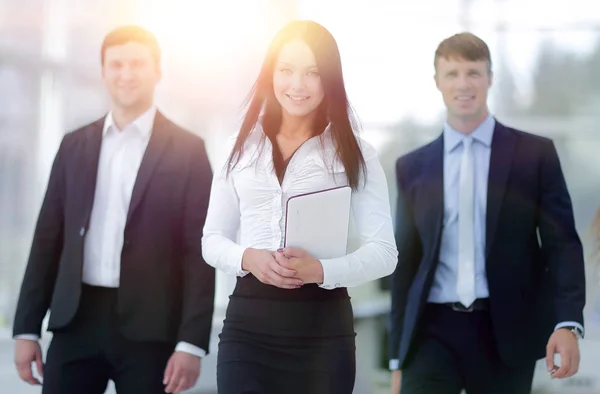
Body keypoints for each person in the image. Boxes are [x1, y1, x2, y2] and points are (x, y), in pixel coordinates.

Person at [12, 25, 215, 394]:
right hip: (76, 320)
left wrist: (191, 342)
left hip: (151, 328)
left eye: (137, 64)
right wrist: (26, 327)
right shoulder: (73, 145)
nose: (126, 74)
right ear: (104, 71)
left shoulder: (189, 151)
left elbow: (197, 253)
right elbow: (47, 238)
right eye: (116, 64)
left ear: (157, 71)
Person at [202, 20, 398, 394]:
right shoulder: (238, 147)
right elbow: (212, 239)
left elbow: (384, 253)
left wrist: (320, 270)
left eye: (312, 73)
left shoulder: (356, 154)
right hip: (248, 328)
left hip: (322, 333)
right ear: (270, 74)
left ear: (330, 80)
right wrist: (248, 258)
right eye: (286, 70)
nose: (297, 85)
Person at [388, 32, 586, 394]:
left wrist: (567, 322)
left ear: (490, 77)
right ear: (437, 82)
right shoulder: (412, 167)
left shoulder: (534, 156)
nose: (463, 84)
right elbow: (405, 267)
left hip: (506, 333)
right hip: (431, 333)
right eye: (452, 74)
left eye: (473, 72)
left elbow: (563, 246)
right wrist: (397, 359)